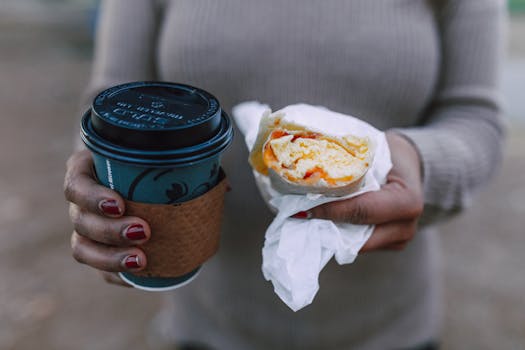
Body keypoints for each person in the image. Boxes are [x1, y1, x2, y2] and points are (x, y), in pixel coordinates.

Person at [63, 1, 505, 349]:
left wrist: (419, 161)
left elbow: (475, 118)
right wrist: (102, 181)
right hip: (211, 324)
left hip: (390, 327)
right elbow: (112, 99)